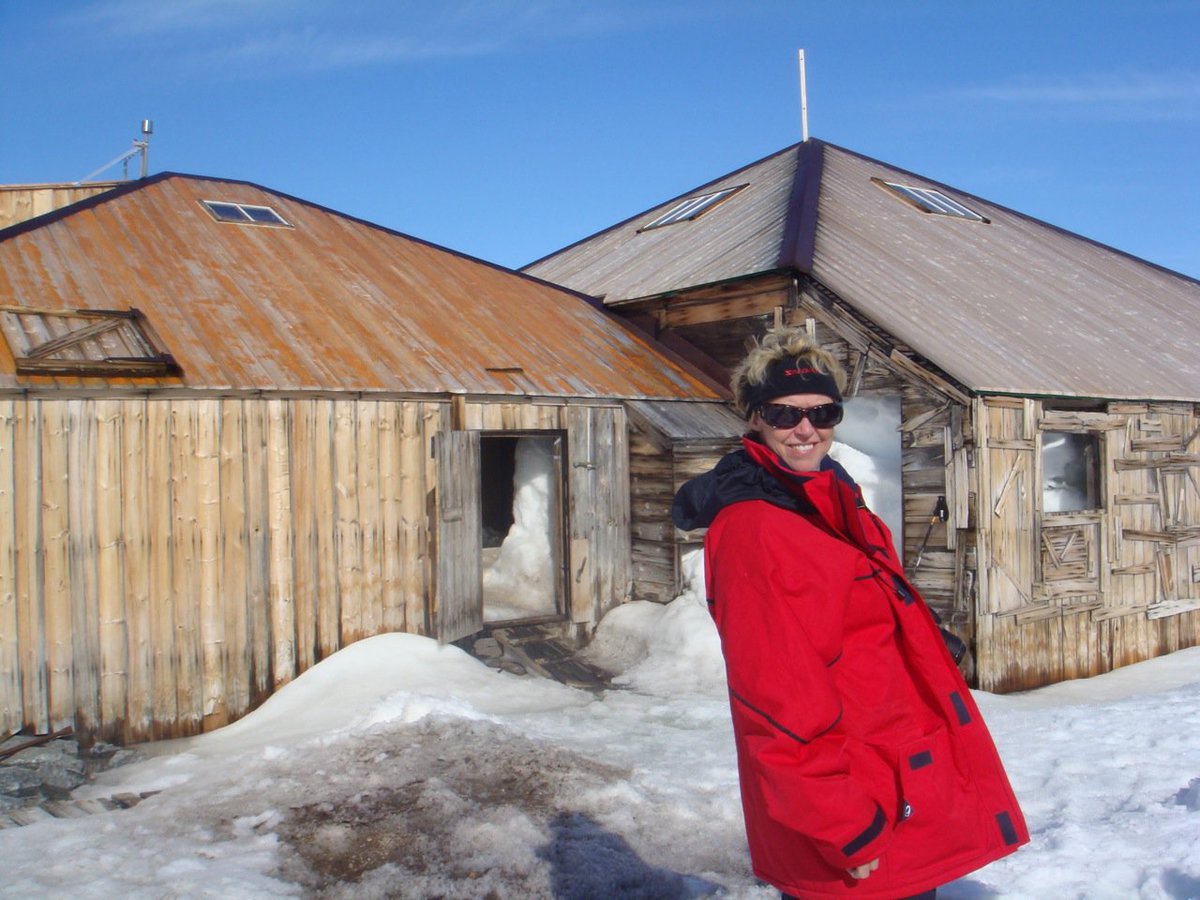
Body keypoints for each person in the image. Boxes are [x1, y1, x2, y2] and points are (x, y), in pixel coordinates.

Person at [672, 326, 1028, 899]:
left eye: (823, 411)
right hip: (853, 808)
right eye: (784, 415)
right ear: (755, 419)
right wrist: (844, 827)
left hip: (890, 772)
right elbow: (774, 698)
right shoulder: (757, 528)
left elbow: (846, 613)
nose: (806, 429)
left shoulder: (829, 495)